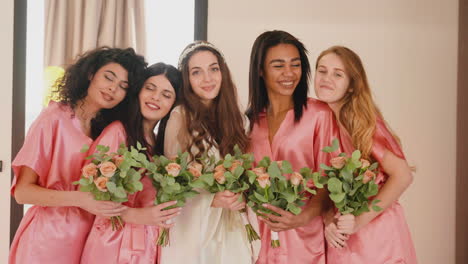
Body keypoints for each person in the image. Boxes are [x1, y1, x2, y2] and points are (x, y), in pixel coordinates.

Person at [10, 47, 147, 264]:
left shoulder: (108, 131)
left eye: (123, 87)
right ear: (91, 74)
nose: (112, 88)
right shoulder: (54, 118)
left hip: (88, 240)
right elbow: (22, 192)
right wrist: (80, 199)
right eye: (109, 77)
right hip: (47, 239)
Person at [314, 45, 417, 263]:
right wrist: (329, 221)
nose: (326, 78)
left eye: (338, 74)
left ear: (351, 86)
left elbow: (403, 175)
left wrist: (360, 221)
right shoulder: (322, 121)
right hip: (344, 236)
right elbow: (327, 189)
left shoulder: (361, 123)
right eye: (322, 71)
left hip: (376, 235)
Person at [160, 41, 259, 264]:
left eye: (213, 69)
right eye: (197, 72)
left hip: (232, 228)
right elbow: (172, 187)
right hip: (194, 231)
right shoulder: (180, 117)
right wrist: (212, 199)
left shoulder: (239, 119)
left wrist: (241, 195)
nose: (207, 78)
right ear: (187, 80)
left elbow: (245, 174)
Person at [246, 30, 339, 264]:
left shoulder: (319, 114)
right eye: (278, 65)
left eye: (295, 64)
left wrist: (302, 217)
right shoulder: (249, 122)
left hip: (305, 240)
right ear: (260, 70)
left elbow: (329, 178)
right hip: (258, 238)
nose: (289, 73)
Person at [80, 62, 182, 263]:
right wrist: (138, 216)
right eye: (150, 88)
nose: (155, 97)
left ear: (173, 105)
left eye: (166, 94)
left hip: (149, 243)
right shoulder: (117, 132)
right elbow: (90, 196)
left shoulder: (161, 146)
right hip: (112, 243)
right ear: (138, 91)